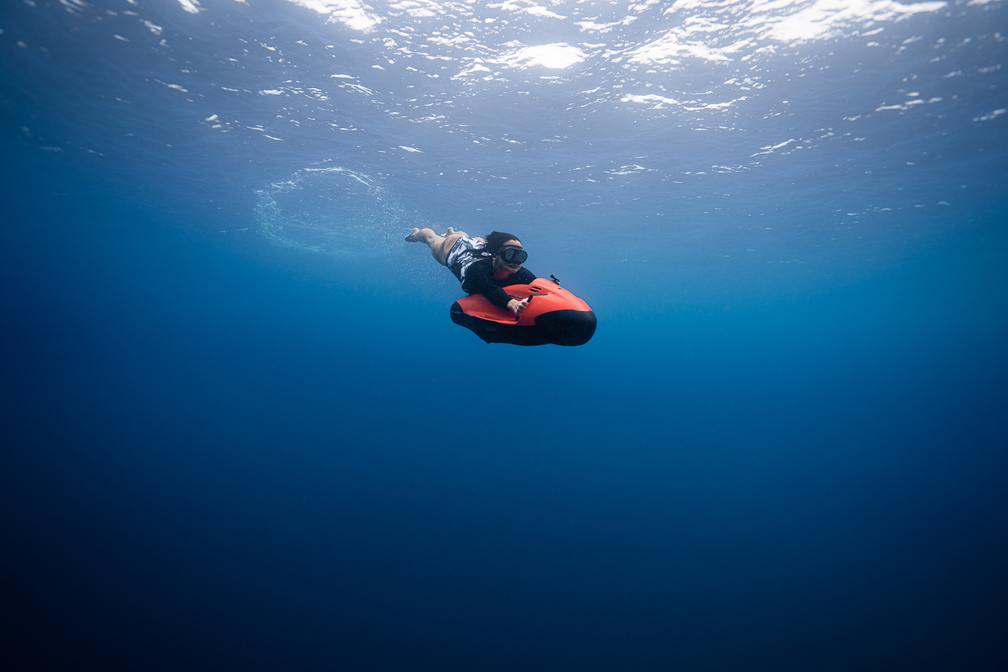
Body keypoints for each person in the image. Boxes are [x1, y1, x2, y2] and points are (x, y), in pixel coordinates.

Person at [405, 227, 535, 317]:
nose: (515, 261)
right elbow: (488, 288)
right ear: (496, 255)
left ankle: (453, 232)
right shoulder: (476, 270)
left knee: (470, 239)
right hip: (451, 247)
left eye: (520, 256)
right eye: (510, 254)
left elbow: (534, 280)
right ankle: (417, 234)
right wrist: (511, 303)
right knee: (432, 238)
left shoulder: (512, 266)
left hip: (474, 245)